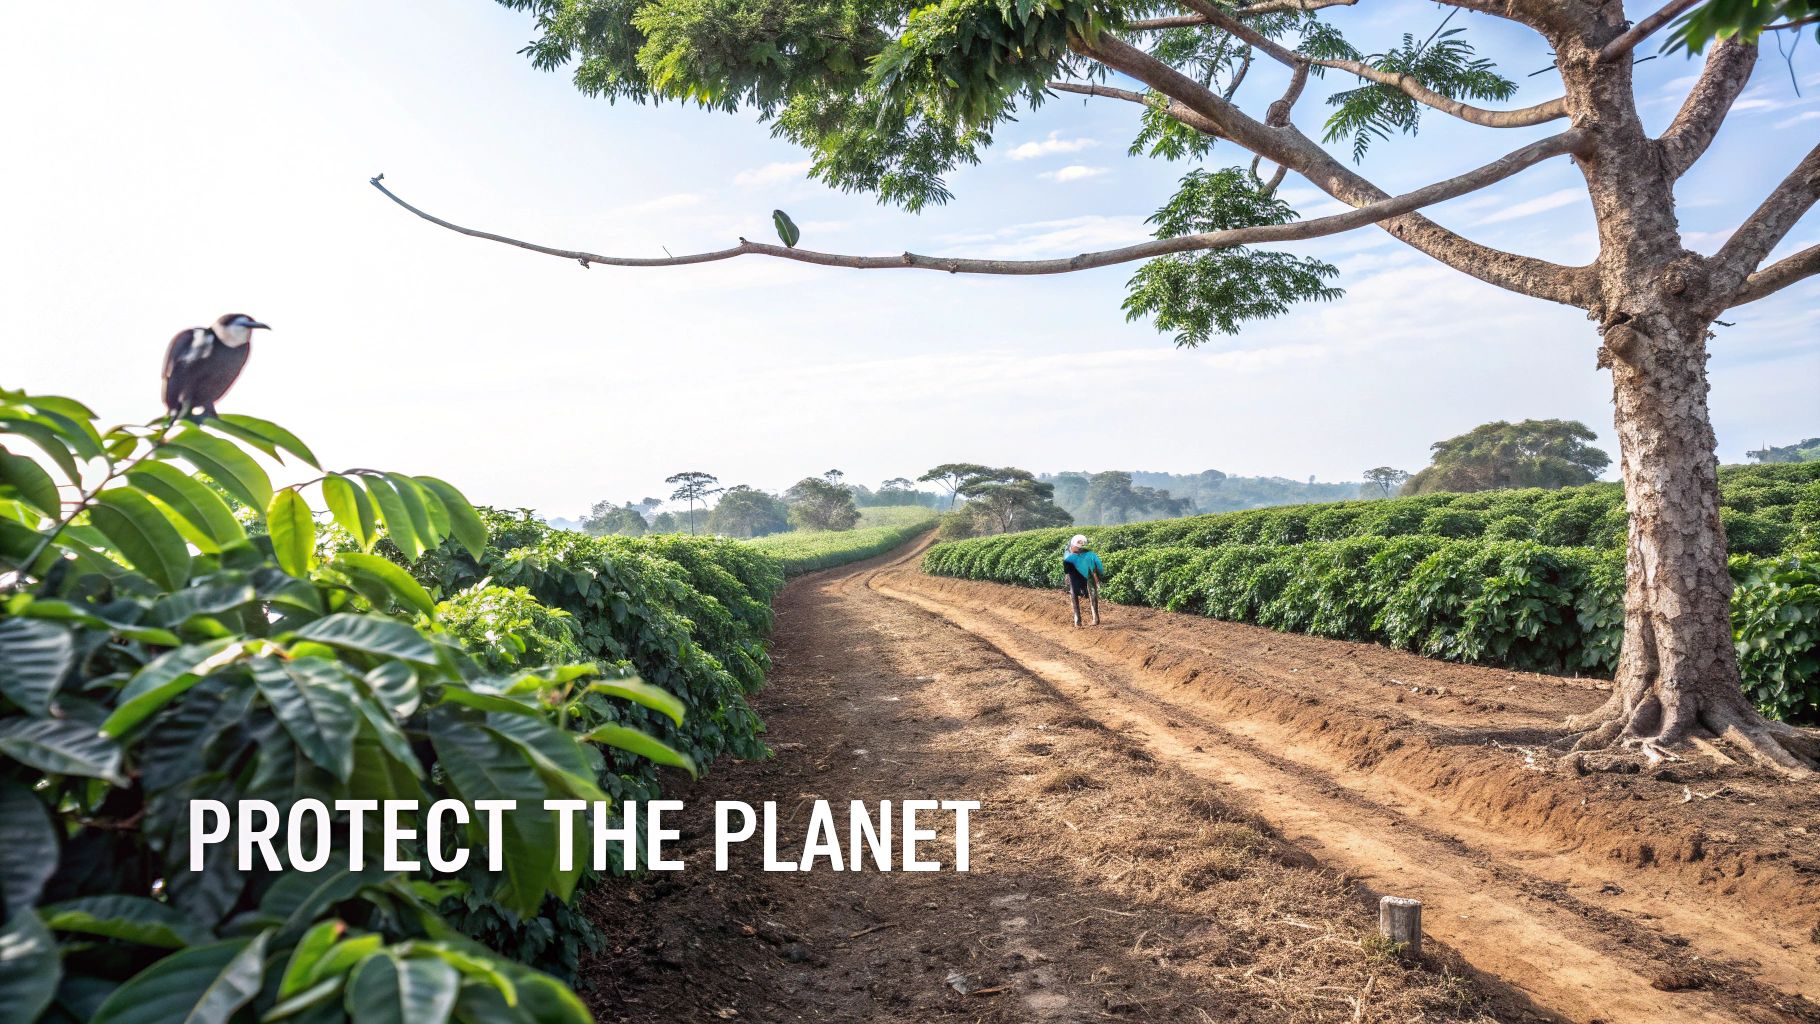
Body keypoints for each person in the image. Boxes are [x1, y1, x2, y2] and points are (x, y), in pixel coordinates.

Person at [1061, 534, 1104, 627]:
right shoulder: (1072, 552)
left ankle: (1086, 619)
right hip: (1081, 573)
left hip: (1082, 573)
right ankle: (1085, 619)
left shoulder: (1074, 553)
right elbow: (1099, 565)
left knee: (1083, 593)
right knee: (1082, 593)